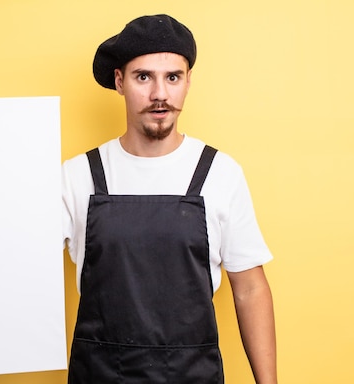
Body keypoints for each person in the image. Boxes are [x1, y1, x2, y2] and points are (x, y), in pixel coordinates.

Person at [62, 14, 277, 384]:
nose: (159, 94)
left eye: (172, 77)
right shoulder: (77, 176)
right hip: (99, 375)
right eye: (143, 77)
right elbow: (18, 268)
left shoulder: (220, 173)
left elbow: (250, 287)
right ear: (119, 82)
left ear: (188, 82)